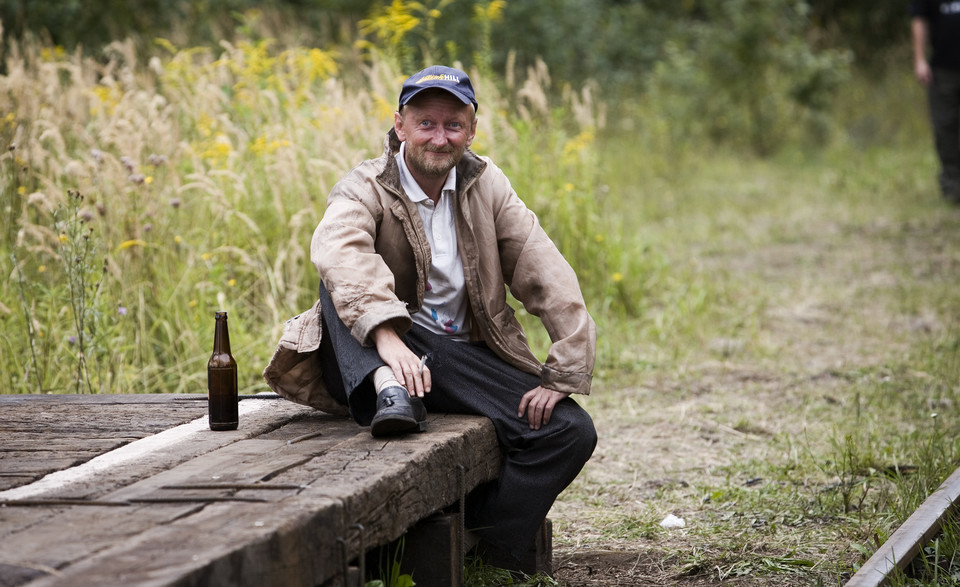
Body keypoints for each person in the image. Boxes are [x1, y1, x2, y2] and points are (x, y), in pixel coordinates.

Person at [309, 65, 598, 570]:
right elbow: (341, 255)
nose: (439, 138)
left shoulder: (487, 184)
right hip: (375, 359)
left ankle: (490, 551)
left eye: (453, 125)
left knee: (570, 431)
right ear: (399, 125)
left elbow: (542, 265)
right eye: (426, 123)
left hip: (454, 358)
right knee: (333, 285)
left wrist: (566, 367)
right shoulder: (365, 186)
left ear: (471, 130)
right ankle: (389, 390)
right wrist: (389, 340)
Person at [911, 1, 960, 204]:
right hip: (942, 69)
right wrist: (920, 59)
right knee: (945, 127)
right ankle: (953, 189)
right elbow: (918, 19)